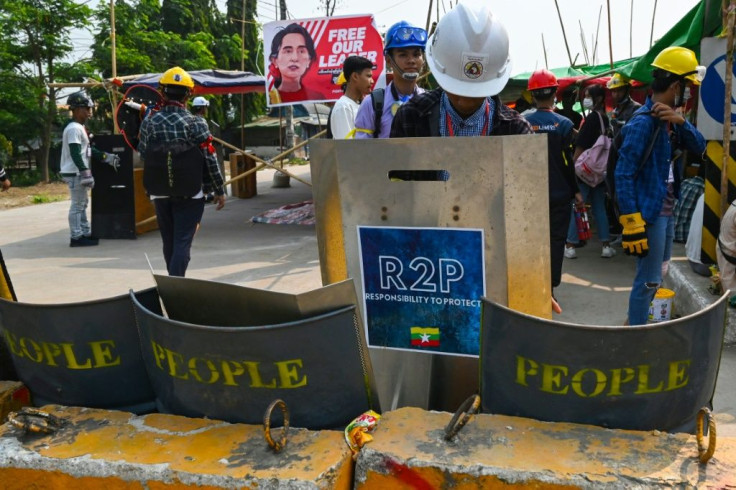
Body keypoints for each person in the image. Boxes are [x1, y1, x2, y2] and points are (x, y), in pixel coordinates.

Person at [615, 46, 706, 325]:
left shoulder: (671, 120)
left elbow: (700, 147)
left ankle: (636, 322)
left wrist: (682, 123)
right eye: (688, 87)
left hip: (665, 210)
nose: (690, 93)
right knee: (648, 279)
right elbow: (623, 174)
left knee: (659, 272)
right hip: (649, 214)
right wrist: (632, 222)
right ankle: (635, 335)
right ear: (676, 85)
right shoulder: (643, 124)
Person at [138, 67, 226, 277]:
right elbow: (209, 158)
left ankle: (173, 281)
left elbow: (143, 154)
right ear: (189, 94)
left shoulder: (149, 122)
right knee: (182, 242)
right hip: (190, 192)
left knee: (169, 242)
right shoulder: (196, 123)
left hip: (160, 191)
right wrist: (219, 189)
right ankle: (176, 284)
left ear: (162, 92)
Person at [524, 69, 583, 295]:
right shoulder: (564, 124)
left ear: (533, 95)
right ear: (554, 93)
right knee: (556, 241)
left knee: (531, 239)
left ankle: (533, 284)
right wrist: (576, 191)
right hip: (559, 195)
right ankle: (549, 289)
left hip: (530, 196)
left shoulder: (522, 122)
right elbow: (569, 163)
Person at [60, 92, 120, 247]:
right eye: (86, 108)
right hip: (75, 172)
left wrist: (106, 157)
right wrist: (85, 172)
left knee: (82, 203)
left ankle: (84, 233)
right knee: (77, 204)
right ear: (77, 109)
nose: (89, 111)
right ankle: (76, 237)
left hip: (77, 171)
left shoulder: (80, 127)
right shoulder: (74, 129)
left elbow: (86, 150)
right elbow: (75, 153)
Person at [564, 84, 616, 259]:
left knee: (577, 206)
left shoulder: (593, 118)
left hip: (585, 171)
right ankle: (606, 246)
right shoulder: (604, 118)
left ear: (599, 98)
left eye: (588, 96)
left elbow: (582, 143)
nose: (586, 99)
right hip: (598, 172)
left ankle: (570, 246)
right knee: (599, 207)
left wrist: (572, 165)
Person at [354, 21, 427, 139]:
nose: (411, 60)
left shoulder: (430, 102)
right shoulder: (372, 104)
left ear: (423, 58)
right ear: (388, 60)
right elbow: (362, 152)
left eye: (416, 54)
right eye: (403, 55)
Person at [268, 23, 325, 104]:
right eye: (288, 51)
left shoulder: (318, 98)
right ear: (274, 60)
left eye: (301, 51)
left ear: (309, 60)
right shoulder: (270, 98)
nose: (294, 58)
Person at [329, 56, 374, 139]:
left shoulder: (360, 105)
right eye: (368, 76)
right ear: (355, 76)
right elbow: (348, 147)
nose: (372, 81)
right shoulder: (343, 107)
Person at [607, 73, 641, 139]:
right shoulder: (615, 111)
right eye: (614, 91)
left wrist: (620, 123)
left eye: (619, 90)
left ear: (627, 90)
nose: (616, 94)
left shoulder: (636, 108)